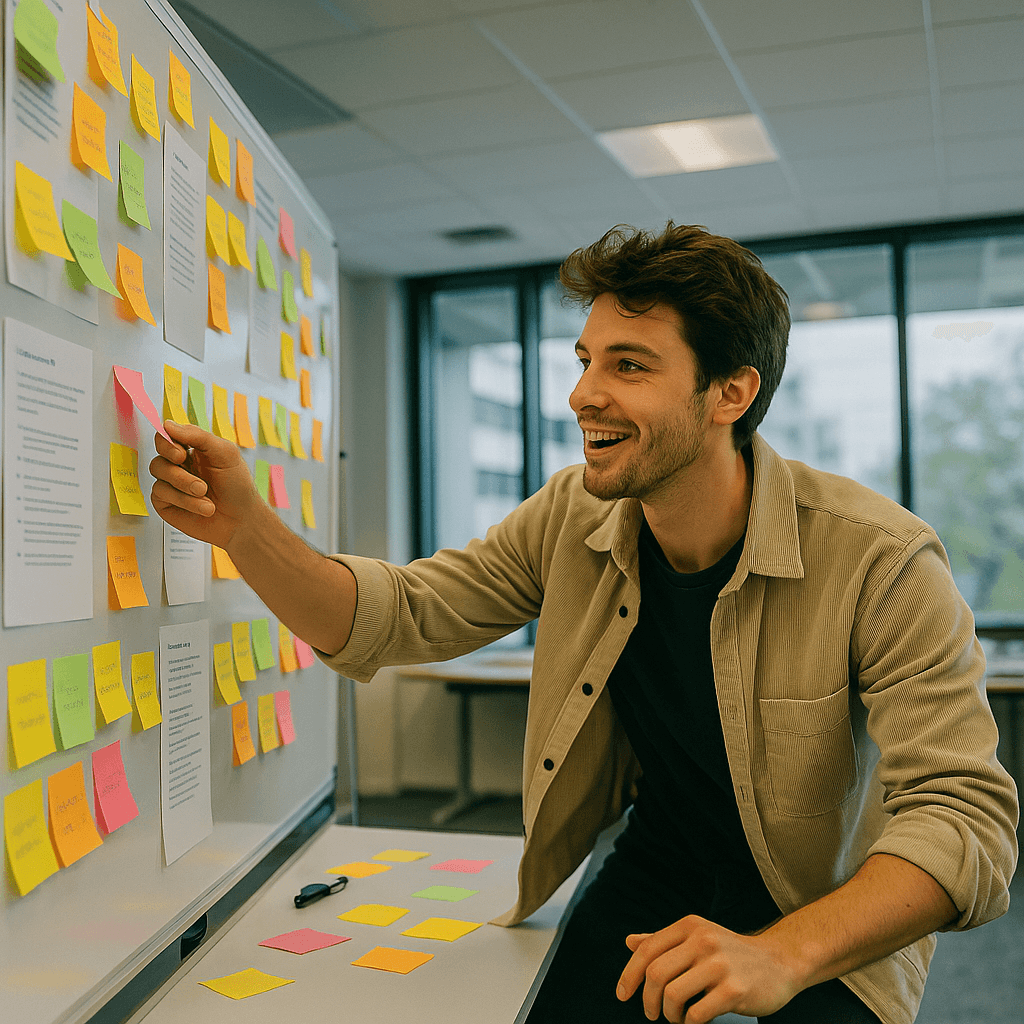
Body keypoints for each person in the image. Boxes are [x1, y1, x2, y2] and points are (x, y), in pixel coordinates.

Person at [150, 223, 1018, 1024]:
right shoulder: (573, 515)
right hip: (661, 869)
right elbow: (402, 615)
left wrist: (782, 953)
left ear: (731, 392)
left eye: (630, 366)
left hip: (827, 903)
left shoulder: (883, 558)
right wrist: (246, 530)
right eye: (585, 358)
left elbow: (966, 816)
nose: (582, 394)